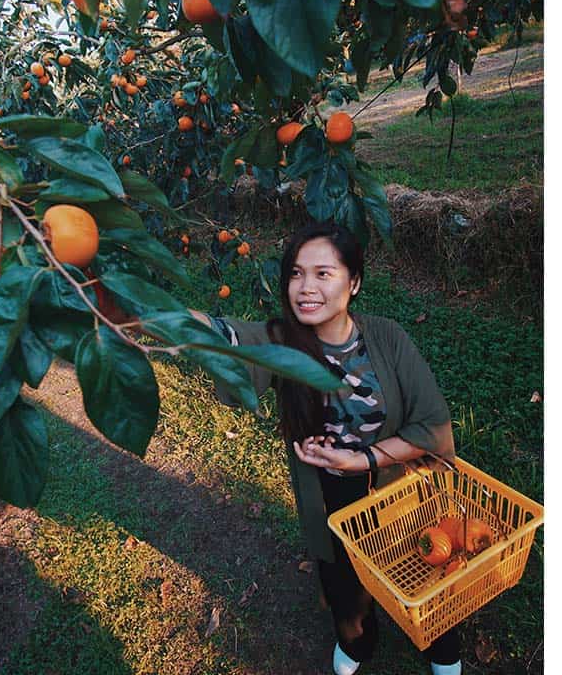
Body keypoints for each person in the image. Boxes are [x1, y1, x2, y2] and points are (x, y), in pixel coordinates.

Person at [187, 221, 463, 675]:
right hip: (331, 496)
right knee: (343, 582)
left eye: (323, 274)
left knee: (427, 566)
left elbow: (431, 424)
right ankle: (357, 642)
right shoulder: (283, 342)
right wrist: (155, 314)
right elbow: (226, 335)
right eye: (296, 274)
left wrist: (360, 459)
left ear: (353, 283)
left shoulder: (387, 338)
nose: (306, 287)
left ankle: (441, 648)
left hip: (401, 487)